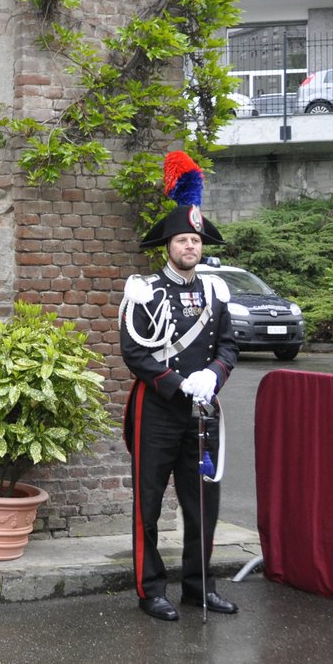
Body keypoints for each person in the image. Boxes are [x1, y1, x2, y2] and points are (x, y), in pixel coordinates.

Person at [119, 152, 239, 622]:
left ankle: (199, 586)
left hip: (203, 411)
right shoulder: (144, 290)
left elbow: (229, 345)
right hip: (158, 410)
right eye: (183, 239)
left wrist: (214, 375)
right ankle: (151, 591)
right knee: (148, 502)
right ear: (168, 245)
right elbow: (135, 352)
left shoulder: (214, 292)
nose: (190, 246)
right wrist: (175, 382)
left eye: (195, 240)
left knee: (203, 504)